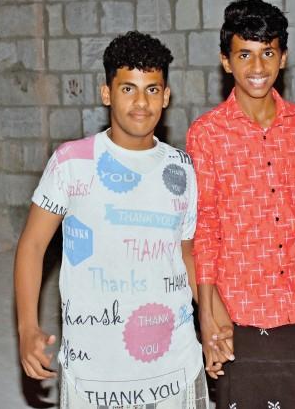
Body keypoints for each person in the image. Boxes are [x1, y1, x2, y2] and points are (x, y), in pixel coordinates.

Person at [14, 31, 222, 408]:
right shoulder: (71, 163)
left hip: (174, 365)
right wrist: (27, 327)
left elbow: (187, 252)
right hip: (96, 372)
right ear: (106, 93)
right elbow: (32, 245)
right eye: (128, 89)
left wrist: (213, 315)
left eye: (152, 90)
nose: (141, 102)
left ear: (166, 96)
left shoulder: (182, 168)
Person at [186, 0, 295, 408]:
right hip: (240, 309)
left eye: (268, 53)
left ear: (283, 58)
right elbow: (205, 227)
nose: (257, 67)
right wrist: (207, 315)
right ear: (226, 61)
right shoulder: (207, 133)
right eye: (244, 54)